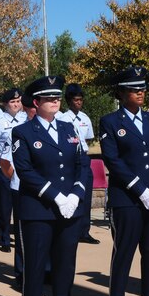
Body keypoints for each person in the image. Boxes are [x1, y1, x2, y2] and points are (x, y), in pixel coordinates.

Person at [12, 76, 88, 296]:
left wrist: (76, 194)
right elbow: (25, 171)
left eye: (57, 97)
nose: (55, 101)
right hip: (39, 209)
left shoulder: (70, 128)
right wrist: (56, 196)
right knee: (35, 266)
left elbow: (82, 165)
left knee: (65, 264)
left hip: (69, 209)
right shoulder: (22, 132)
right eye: (48, 98)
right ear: (37, 102)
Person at [99, 65, 149, 296]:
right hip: (127, 198)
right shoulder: (110, 121)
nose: (140, 92)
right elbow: (113, 160)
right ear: (122, 92)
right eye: (134, 88)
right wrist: (141, 189)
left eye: (142, 88)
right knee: (124, 252)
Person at [0, 94, 36, 287]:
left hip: (45, 190)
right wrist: (14, 175)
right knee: (22, 234)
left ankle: (44, 270)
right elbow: (4, 159)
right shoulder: (18, 130)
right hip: (21, 187)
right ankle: (21, 272)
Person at [58, 84, 98, 244]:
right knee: (70, 195)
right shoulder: (62, 118)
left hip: (83, 158)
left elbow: (87, 139)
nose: (79, 103)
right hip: (69, 160)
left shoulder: (85, 118)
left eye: (81, 100)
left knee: (86, 196)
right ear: (69, 101)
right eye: (76, 100)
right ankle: (70, 229)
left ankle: (84, 231)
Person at [0, 88, 26, 252]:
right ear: (5, 104)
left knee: (22, 205)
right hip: (4, 168)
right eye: (12, 102)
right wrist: (0, 165)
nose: (16, 104)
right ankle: (3, 238)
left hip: (22, 168)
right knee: (4, 206)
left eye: (18, 101)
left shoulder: (26, 119)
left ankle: (20, 237)